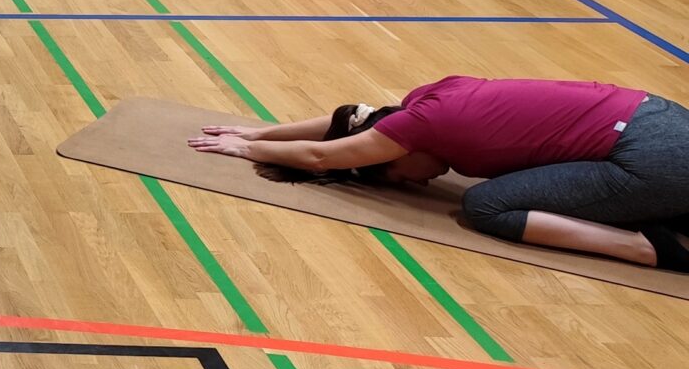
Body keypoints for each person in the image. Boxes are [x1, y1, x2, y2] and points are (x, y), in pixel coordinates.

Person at [189, 76, 689, 270]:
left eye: (397, 175)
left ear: (394, 148)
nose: (417, 181)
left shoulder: (423, 124)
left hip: (655, 160)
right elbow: (352, 113)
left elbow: (325, 155)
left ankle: (649, 247)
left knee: (486, 204)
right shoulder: (430, 96)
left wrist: (244, 148)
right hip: (664, 120)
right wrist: (257, 133)